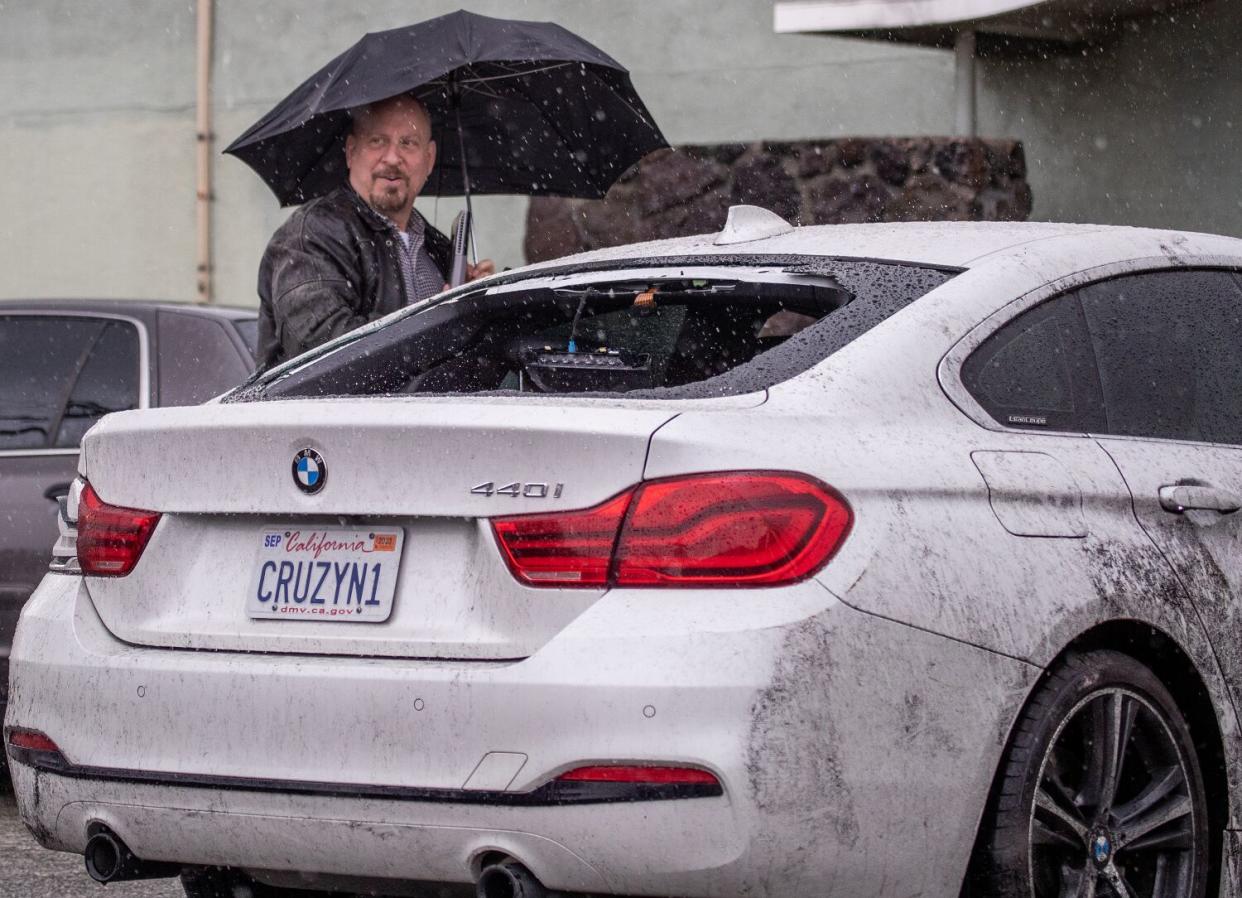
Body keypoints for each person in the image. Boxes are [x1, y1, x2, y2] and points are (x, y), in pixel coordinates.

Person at [255, 94, 494, 370]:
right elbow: (325, 352)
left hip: (423, 413)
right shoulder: (312, 234)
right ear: (351, 151)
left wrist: (473, 307)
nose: (392, 158)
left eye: (408, 143)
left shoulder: (438, 249)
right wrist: (437, 330)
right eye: (377, 141)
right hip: (338, 414)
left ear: (429, 159)